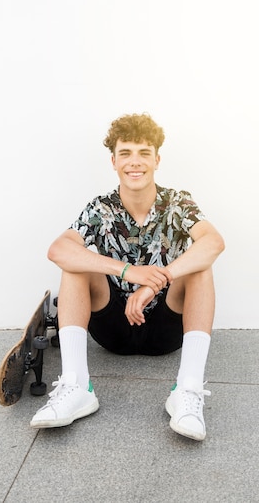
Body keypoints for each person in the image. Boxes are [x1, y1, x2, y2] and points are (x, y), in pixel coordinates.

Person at [30, 113, 225, 441]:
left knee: (200, 268)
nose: (135, 162)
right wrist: (127, 271)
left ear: (157, 160)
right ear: (114, 161)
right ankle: (78, 387)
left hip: (167, 329)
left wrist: (157, 281)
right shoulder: (100, 208)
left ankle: (187, 391)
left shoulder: (177, 203)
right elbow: (58, 249)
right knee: (75, 265)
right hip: (113, 329)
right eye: (126, 154)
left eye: (144, 153)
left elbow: (213, 242)